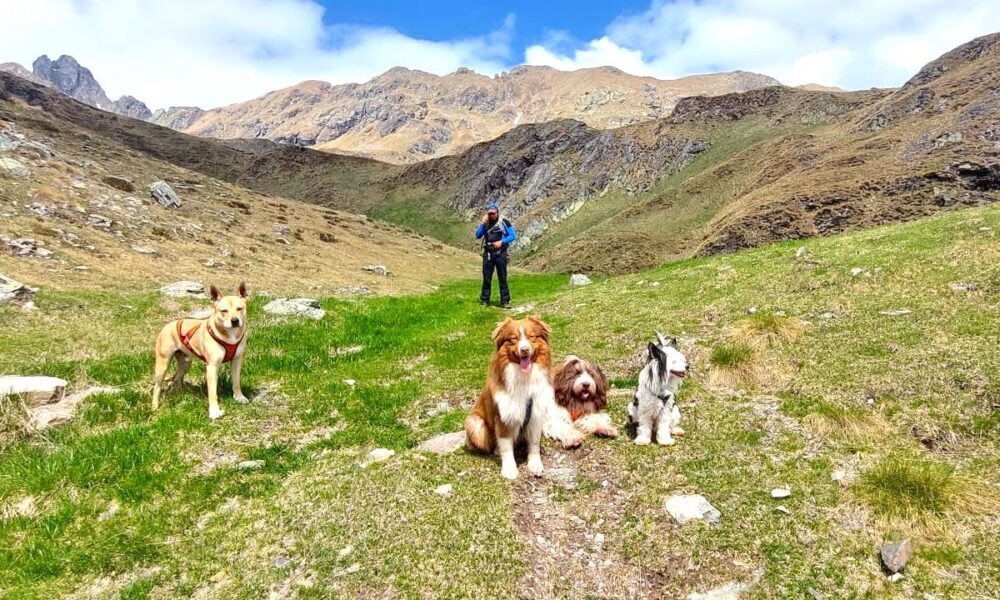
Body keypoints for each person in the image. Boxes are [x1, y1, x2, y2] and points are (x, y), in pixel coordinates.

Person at [474, 202, 516, 308]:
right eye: (489, 213)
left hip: (500, 253)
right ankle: (484, 300)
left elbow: (512, 235)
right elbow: (478, 235)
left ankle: (505, 301)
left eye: (493, 213)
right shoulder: (486, 223)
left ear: (497, 213)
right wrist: (482, 224)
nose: (491, 215)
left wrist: (501, 242)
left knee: (502, 277)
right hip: (488, 253)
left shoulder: (504, 222)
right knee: (487, 278)